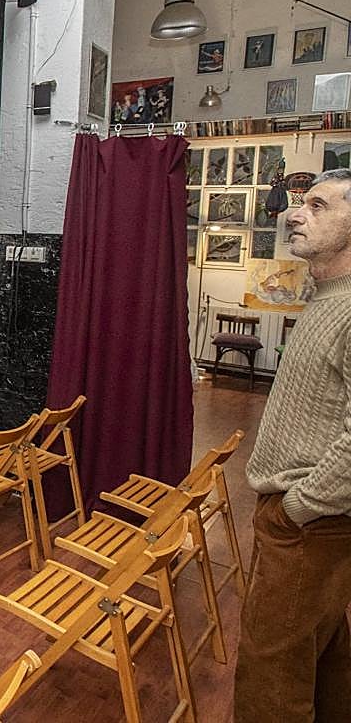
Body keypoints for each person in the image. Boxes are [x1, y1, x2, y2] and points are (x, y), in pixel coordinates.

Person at [235, 168, 351, 722]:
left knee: (271, 677)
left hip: (310, 522)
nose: (295, 214)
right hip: (303, 519)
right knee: (320, 657)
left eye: (320, 206)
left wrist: (300, 506)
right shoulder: (328, 298)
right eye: (301, 204)